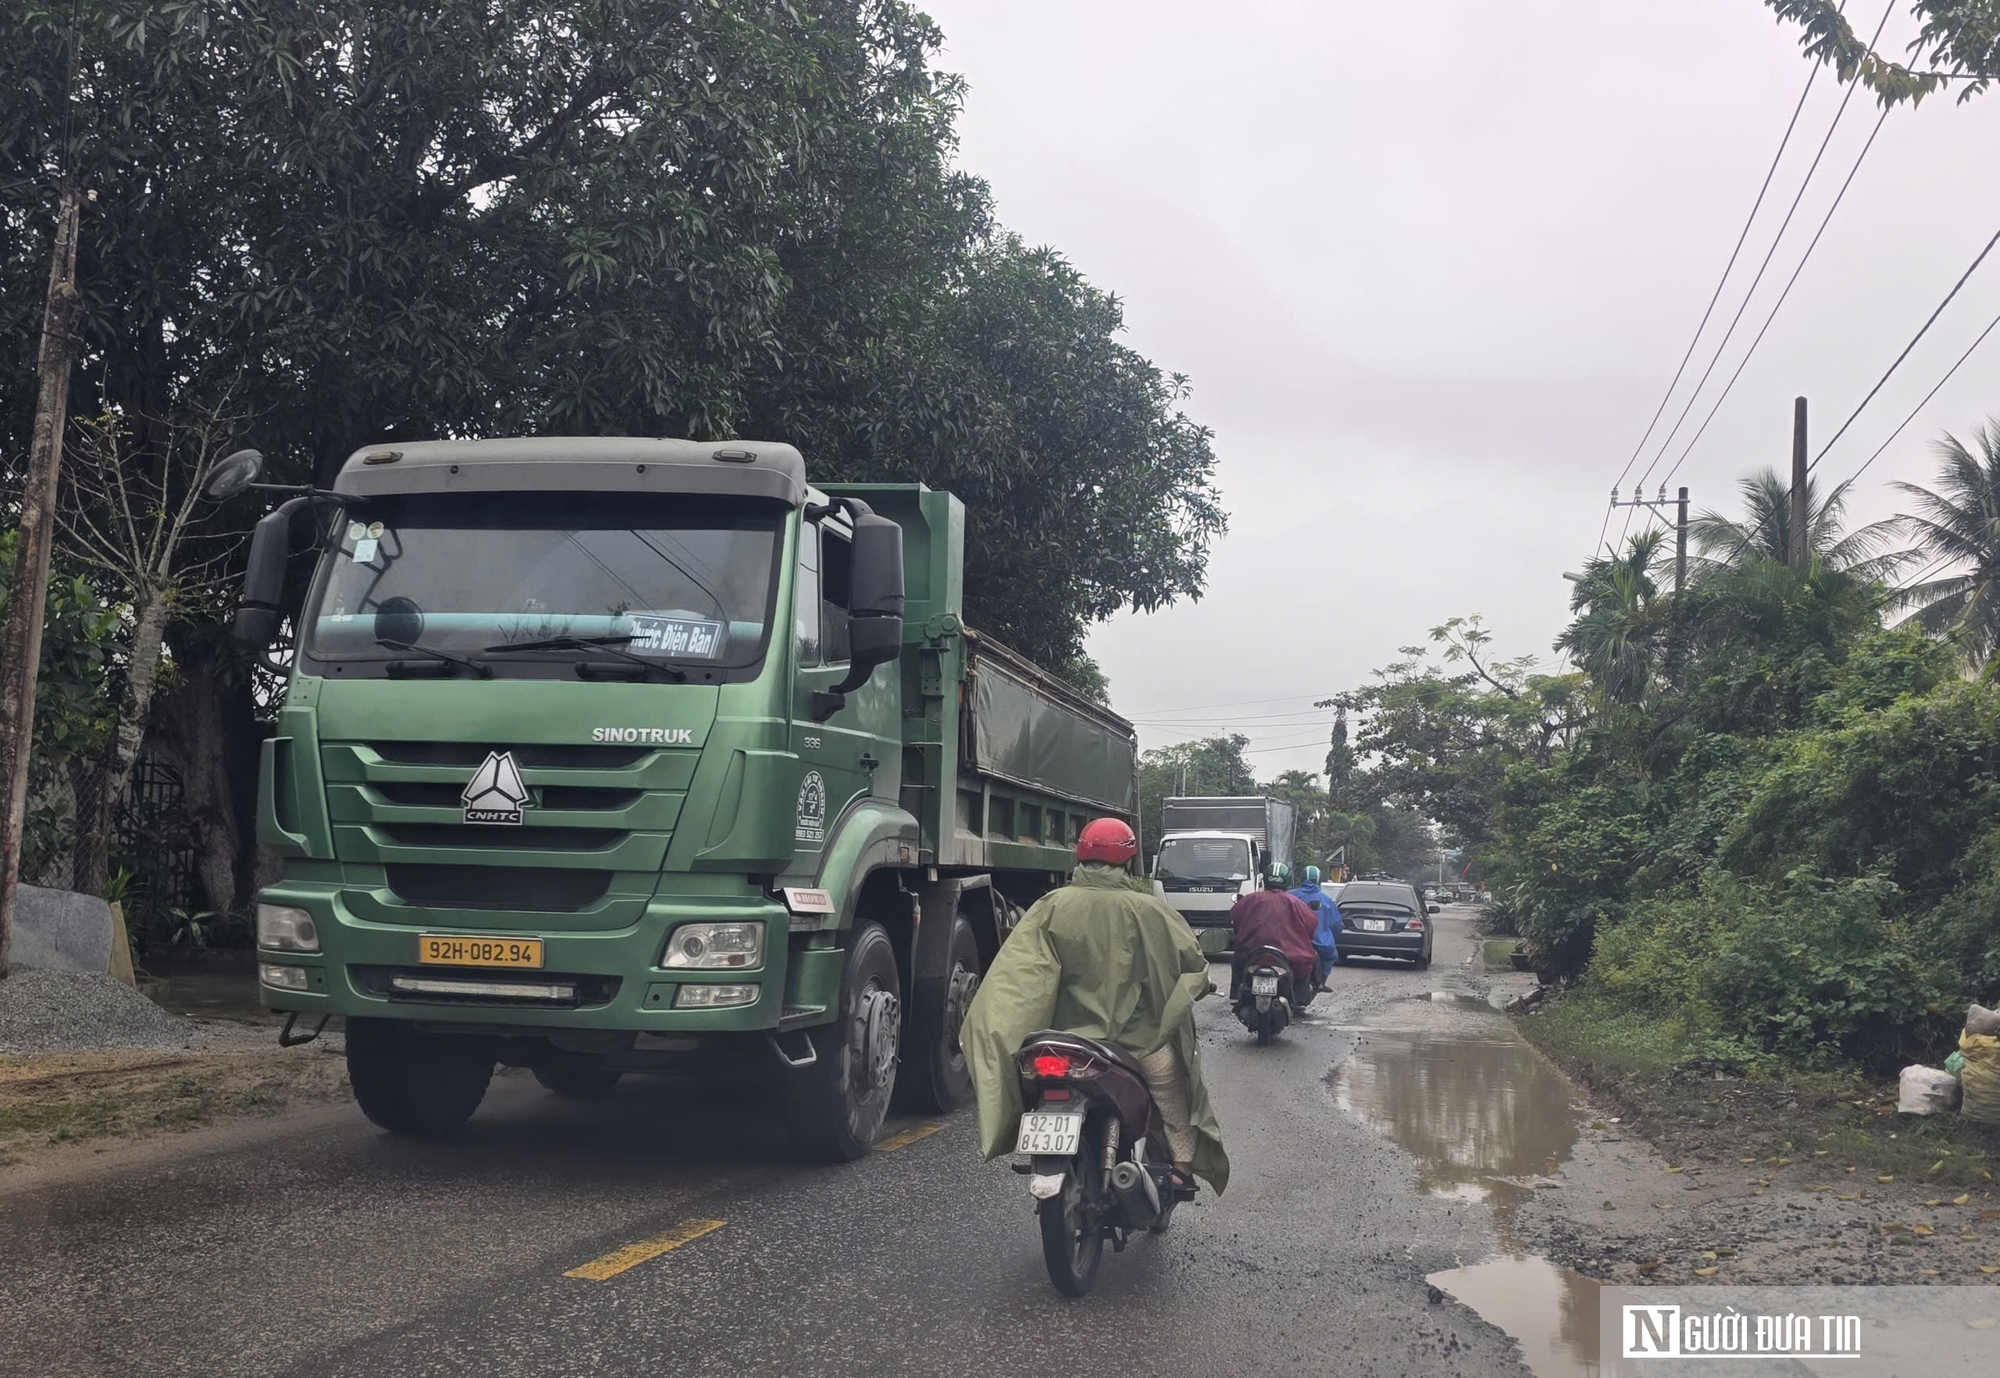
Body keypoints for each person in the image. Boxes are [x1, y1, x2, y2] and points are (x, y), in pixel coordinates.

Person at [961, 817, 1230, 1197]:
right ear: (1130, 860)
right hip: (1139, 1041)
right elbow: (1192, 964)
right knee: (1173, 1091)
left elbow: (1018, 979)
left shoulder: (1050, 907)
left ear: (1081, 856)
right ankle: (1182, 1170)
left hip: (1063, 1041)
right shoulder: (1151, 911)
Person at [1226, 864, 1319, 991]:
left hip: (1250, 952)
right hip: (1290, 955)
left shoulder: (1249, 900)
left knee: (1237, 962)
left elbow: (1235, 918)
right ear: (1287, 880)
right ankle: (1298, 1001)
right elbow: (1311, 924)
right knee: (1307, 963)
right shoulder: (1295, 903)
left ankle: (1237, 996)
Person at [1290, 864, 1342, 980]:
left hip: (1293, 942)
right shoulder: (1327, 900)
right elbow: (1336, 925)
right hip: (1321, 943)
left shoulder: (1290, 896)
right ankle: (1322, 982)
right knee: (1331, 956)